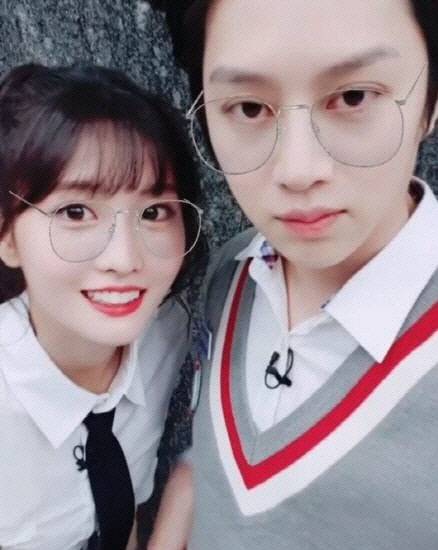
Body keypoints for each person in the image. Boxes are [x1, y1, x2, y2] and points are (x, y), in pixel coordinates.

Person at [149, 1, 438, 549]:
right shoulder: (232, 274)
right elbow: (209, 464)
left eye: (354, 97)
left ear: (431, 100)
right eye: (249, 107)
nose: (297, 170)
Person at [0, 63, 204, 550]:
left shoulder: (167, 331)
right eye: (76, 212)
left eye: (154, 212)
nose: (124, 259)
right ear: (7, 236)